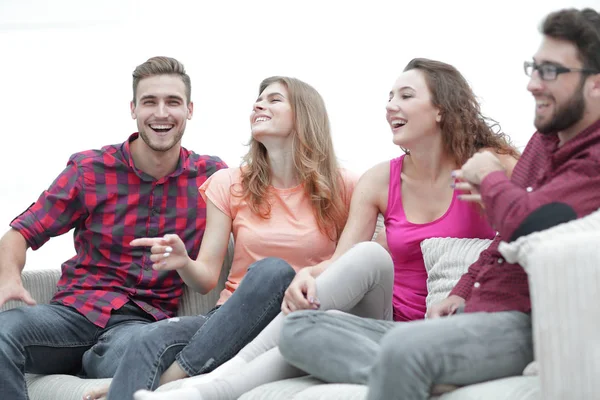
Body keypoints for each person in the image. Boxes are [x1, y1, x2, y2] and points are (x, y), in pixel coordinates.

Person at [134, 58, 520, 400]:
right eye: (389, 96)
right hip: (385, 322)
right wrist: (307, 276)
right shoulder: (379, 180)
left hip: (452, 326)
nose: (390, 106)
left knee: (306, 326)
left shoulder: (493, 165)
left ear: (441, 109)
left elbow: (529, 226)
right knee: (334, 290)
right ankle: (208, 388)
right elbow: (343, 259)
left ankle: (202, 391)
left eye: (405, 96)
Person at [277, 7, 600, 400]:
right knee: (298, 330)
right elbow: (504, 243)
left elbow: (533, 227)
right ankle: (418, 372)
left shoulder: (590, 160)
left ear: (596, 84)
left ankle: (410, 366)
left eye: (549, 71)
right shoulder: (543, 143)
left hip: (523, 322)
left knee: (404, 349)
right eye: (532, 68)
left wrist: (490, 178)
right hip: (468, 315)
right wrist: (462, 290)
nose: (532, 84)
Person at [83, 76, 357, 400]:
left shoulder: (344, 186)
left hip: (298, 318)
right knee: (148, 338)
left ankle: (170, 382)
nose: (259, 105)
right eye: (258, 100)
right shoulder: (228, 183)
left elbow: (358, 261)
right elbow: (206, 280)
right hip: (229, 320)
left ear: (304, 114)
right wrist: (184, 262)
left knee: (274, 272)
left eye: (273, 100)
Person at [0, 56, 227, 400]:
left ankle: (94, 365)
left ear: (190, 110)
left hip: (136, 329)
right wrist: (9, 277)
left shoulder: (211, 178)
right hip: (74, 314)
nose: (161, 113)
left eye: (173, 102)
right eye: (150, 101)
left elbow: (258, 227)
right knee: (4, 330)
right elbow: (20, 234)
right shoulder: (90, 169)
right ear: (134, 108)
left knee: (148, 347)